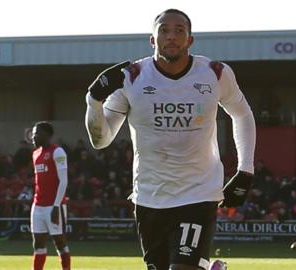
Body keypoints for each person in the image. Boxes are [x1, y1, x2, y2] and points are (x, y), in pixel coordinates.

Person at [85, 9, 256, 270]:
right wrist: (93, 100)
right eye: (164, 30)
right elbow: (101, 140)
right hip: (149, 197)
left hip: (198, 193)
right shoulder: (131, 77)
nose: (172, 37)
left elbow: (242, 114)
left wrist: (246, 170)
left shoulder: (216, 73)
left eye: (179, 31)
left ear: (190, 40)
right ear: (152, 40)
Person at [30, 121, 71, 270]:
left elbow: (64, 180)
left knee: (59, 242)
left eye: (36, 133)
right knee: (38, 244)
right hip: (38, 205)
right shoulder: (35, 154)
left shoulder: (58, 152)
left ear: (47, 135)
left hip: (54, 205)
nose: (33, 137)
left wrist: (56, 206)